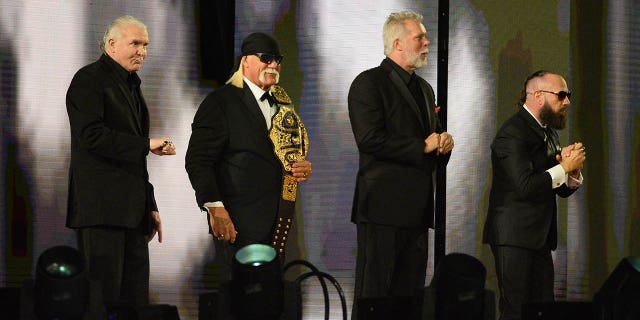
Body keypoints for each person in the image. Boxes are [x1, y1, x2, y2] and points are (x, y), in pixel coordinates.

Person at [348, 10, 454, 319]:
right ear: (397, 43)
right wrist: (423, 144)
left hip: (417, 211)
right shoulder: (368, 83)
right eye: (419, 37)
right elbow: (369, 139)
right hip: (381, 208)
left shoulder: (424, 89)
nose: (427, 42)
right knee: (375, 296)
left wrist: (443, 146)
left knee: (409, 299)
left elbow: (431, 144)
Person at [65, 15, 176, 308]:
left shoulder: (132, 86)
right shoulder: (89, 80)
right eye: (135, 43)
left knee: (135, 304)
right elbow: (91, 136)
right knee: (102, 303)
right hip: (102, 213)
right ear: (111, 44)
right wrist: (145, 144)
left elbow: (133, 161)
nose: (142, 51)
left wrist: (149, 205)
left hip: (133, 215)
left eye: (145, 45)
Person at [185, 32, 312, 285]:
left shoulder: (283, 105)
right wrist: (214, 205)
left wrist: (300, 166)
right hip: (238, 222)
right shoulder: (221, 101)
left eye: (278, 60)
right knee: (240, 301)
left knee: (270, 302)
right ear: (246, 61)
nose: (274, 65)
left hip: (278, 221)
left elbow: (287, 154)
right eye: (266, 58)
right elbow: (198, 160)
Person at [482, 70, 585, 320]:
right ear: (538, 96)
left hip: (539, 237)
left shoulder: (548, 132)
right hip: (514, 236)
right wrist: (563, 168)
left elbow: (555, 187)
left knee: (542, 310)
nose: (567, 102)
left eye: (568, 95)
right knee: (516, 310)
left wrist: (571, 173)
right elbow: (525, 186)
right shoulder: (512, 133)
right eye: (562, 95)